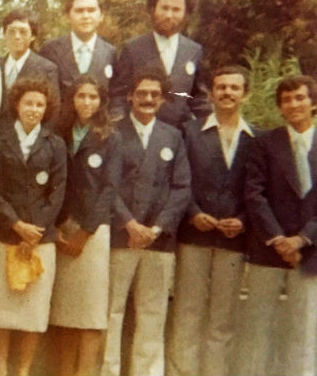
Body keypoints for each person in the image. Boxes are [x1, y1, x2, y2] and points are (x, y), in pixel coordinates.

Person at [102, 69, 191, 376]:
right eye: (142, 93)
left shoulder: (172, 136)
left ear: (163, 99)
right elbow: (107, 186)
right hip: (120, 237)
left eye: (155, 94)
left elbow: (182, 188)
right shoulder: (114, 133)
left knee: (152, 314)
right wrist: (129, 224)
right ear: (130, 96)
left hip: (158, 240)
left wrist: (155, 228)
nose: (148, 99)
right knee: (111, 312)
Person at [167, 66, 254, 376]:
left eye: (234, 88)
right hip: (195, 234)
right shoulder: (190, 132)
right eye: (221, 87)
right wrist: (192, 212)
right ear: (211, 93)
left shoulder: (255, 137)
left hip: (233, 239)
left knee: (223, 317)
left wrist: (243, 221)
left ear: (245, 94)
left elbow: (257, 189)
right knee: (187, 311)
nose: (227, 93)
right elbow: (178, 178)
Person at [0, 76, 66, 376]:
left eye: (40, 104)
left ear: (47, 109)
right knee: (1, 308)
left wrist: (36, 230)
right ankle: (2, 370)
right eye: (28, 102)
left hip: (40, 239)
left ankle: (23, 372)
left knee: (33, 310)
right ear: (17, 104)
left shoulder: (55, 143)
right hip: (5, 233)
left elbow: (58, 191)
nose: (33, 109)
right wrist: (17, 225)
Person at [239, 76, 317, 376]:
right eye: (286, 100)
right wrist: (279, 239)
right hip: (268, 248)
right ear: (280, 107)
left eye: (299, 97)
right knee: (257, 330)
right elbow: (254, 194)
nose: (293, 104)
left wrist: (301, 240)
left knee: (304, 329)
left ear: (313, 103)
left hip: (310, 253)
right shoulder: (265, 143)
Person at [50, 76, 122, 376]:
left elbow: (109, 189)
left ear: (101, 102)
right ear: (72, 99)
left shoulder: (110, 137)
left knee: (90, 313)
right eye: (81, 96)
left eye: (93, 97)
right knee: (66, 311)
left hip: (93, 232)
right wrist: (58, 225)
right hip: (62, 229)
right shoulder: (60, 134)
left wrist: (85, 231)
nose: (87, 102)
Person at [109, 0, 210, 129]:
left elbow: (198, 98)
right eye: (164, 8)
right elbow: (119, 95)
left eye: (176, 10)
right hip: (139, 132)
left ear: (186, 14)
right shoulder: (133, 49)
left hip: (180, 135)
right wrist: (118, 127)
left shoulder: (193, 51)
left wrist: (215, 125)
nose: (169, 15)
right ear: (152, 9)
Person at [39, 0, 116, 101]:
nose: (85, 16)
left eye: (91, 10)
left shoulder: (111, 53)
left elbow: (115, 95)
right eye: (79, 11)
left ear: (101, 16)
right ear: (68, 17)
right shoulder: (50, 50)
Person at [0, 7, 59, 119]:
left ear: (33, 36)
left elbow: (53, 111)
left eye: (23, 32)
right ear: (4, 34)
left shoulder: (46, 69)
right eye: (12, 31)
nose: (17, 37)